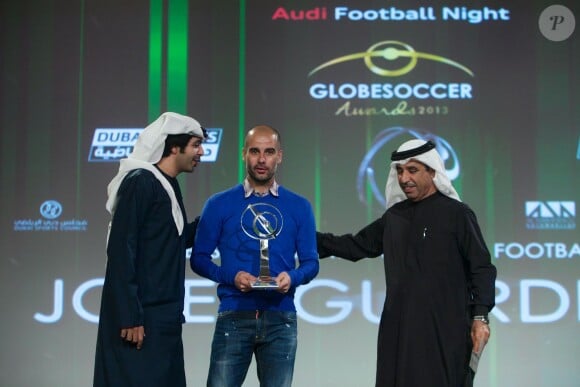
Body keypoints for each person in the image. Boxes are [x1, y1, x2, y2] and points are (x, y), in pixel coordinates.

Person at [317, 139, 497, 387]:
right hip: (400, 331)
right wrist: (300, 237)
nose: (404, 178)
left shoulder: (457, 214)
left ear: (432, 172)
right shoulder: (395, 217)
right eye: (400, 171)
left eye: (412, 170)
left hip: (445, 329)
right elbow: (354, 246)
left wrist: (481, 317)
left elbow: (482, 268)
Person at [191, 125, 319, 387]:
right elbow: (199, 258)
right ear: (243, 154)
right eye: (255, 151)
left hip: (281, 319)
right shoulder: (218, 204)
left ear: (279, 156)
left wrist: (291, 278)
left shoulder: (299, 206)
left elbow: (311, 263)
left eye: (269, 152)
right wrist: (231, 276)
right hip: (234, 315)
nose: (262, 160)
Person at [93, 112, 207, 387]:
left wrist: (219, 219)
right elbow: (122, 250)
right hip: (139, 322)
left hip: (163, 320)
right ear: (173, 146)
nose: (201, 152)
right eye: (195, 145)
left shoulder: (167, 184)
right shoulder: (141, 182)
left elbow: (169, 242)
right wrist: (130, 316)